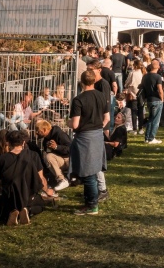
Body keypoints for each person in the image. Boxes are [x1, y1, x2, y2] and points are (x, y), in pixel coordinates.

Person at [0, 130, 54, 226]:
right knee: (40, 205)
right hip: (29, 197)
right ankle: (27, 210)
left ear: (8, 142)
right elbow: (41, 178)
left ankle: (13, 211)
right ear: (24, 142)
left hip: (9, 197)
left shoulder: (1, 159)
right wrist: (47, 190)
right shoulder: (33, 155)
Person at [69, 69, 109, 216]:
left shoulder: (78, 99)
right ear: (94, 80)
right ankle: (89, 201)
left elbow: (74, 124)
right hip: (98, 135)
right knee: (92, 170)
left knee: (89, 173)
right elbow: (107, 118)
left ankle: (92, 205)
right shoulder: (102, 96)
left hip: (85, 137)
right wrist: (98, 126)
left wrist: (67, 123)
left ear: (81, 81)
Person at [34, 120, 71, 192]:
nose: (36, 133)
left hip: (69, 159)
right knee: (47, 156)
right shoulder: (46, 139)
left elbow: (70, 149)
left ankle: (62, 180)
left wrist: (57, 147)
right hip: (60, 159)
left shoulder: (60, 134)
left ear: (44, 130)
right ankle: (59, 179)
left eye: (38, 131)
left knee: (49, 156)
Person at [140, 59, 164, 144]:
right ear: (158, 66)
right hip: (157, 99)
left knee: (150, 118)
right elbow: (160, 89)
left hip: (149, 99)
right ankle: (151, 138)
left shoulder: (145, 76)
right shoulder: (157, 77)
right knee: (155, 120)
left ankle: (147, 137)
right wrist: (162, 99)